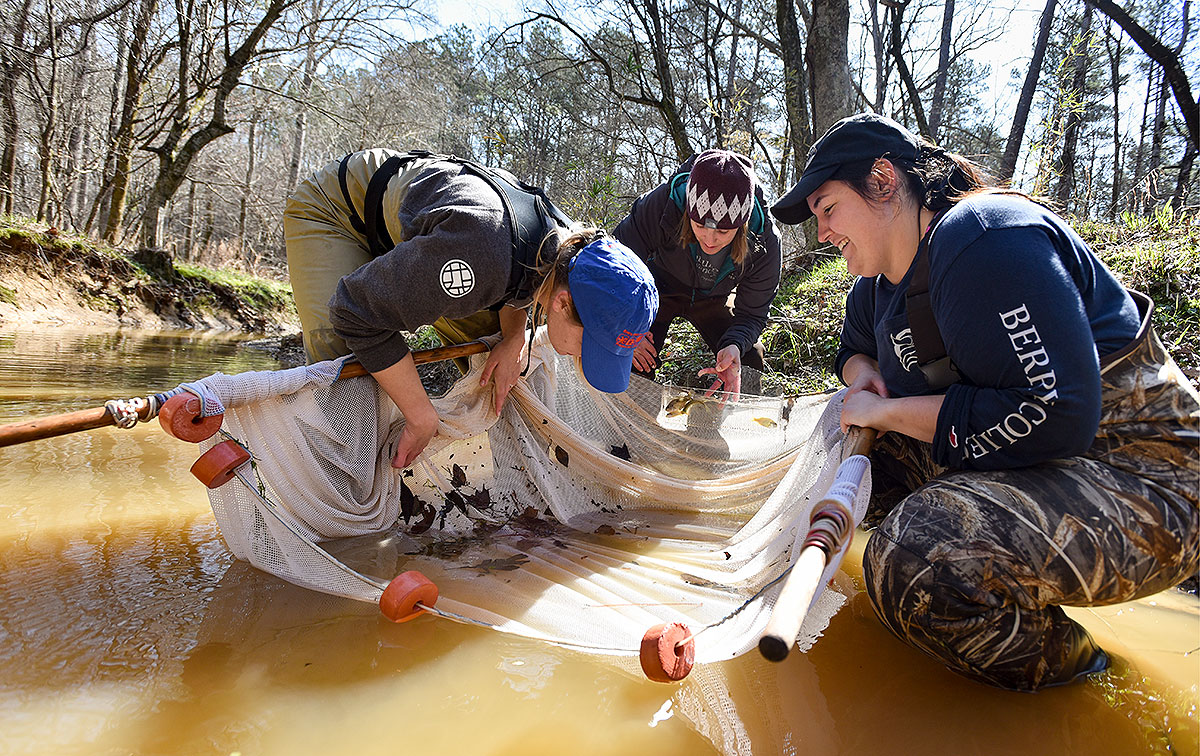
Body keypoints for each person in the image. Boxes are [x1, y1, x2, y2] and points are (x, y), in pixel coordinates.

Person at [772, 113, 1199, 691]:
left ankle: (1089, 676)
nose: (821, 234)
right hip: (1048, 456)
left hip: (1148, 480)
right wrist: (865, 375)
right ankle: (988, 586)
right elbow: (853, 349)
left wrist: (891, 412)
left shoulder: (983, 238)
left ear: (882, 180)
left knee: (913, 553)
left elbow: (1058, 413)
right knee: (848, 450)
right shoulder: (878, 286)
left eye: (827, 209)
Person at [285, 149, 658, 469]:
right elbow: (355, 310)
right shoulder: (482, 258)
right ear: (562, 302)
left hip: (448, 242)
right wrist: (419, 414)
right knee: (344, 369)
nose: (580, 356)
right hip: (338, 213)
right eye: (587, 345)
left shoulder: (567, 250)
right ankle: (332, 498)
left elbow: (521, 280)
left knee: (503, 354)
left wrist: (514, 336)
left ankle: (511, 470)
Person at [613, 149, 782, 396]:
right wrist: (627, 326)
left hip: (715, 297)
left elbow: (753, 314)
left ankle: (727, 425)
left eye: (724, 232)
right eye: (700, 225)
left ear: (742, 224)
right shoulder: (662, 204)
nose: (710, 239)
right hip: (656, 288)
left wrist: (734, 345)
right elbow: (616, 266)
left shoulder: (764, 240)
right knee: (633, 359)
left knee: (747, 359)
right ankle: (631, 423)